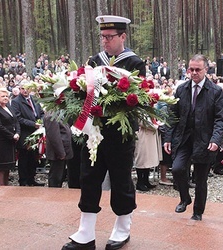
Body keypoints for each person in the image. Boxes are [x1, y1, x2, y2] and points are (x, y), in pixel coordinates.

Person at [62, 15, 146, 250]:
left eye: (110, 37)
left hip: (120, 134)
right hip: (94, 132)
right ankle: (85, 232)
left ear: (122, 37)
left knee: (120, 181)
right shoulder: (94, 60)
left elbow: (137, 97)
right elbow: (84, 92)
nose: (105, 42)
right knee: (88, 178)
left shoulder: (134, 63)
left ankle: (122, 229)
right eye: (102, 37)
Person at [164, 54, 223, 221]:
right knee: (177, 169)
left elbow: (220, 119)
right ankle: (185, 198)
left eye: (197, 69)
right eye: (191, 69)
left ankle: (197, 212)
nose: (194, 72)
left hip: (205, 140)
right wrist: (168, 138)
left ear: (206, 70)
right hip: (184, 138)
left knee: (200, 179)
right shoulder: (182, 89)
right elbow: (173, 116)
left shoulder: (215, 91)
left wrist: (215, 139)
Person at [11, 80, 45, 186]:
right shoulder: (16, 101)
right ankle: (23, 180)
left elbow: (41, 113)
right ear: (20, 89)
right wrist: (33, 124)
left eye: (27, 88)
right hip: (25, 133)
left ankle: (31, 178)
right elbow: (18, 118)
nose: (25, 90)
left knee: (34, 157)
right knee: (24, 158)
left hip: (37, 133)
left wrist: (41, 121)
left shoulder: (35, 99)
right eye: (22, 88)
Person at [0, 88, 20, 186]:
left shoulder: (8, 107)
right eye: (3, 96)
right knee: (2, 167)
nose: (5, 98)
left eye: (6, 96)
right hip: (1, 142)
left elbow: (16, 121)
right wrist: (12, 136)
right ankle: (2, 187)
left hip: (10, 141)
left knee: (8, 166)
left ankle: (6, 186)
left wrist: (18, 132)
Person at [43, 112, 73, 188]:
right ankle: (53, 196)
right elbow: (54, 137)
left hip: (62, 151)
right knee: (55, 178)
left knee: (60, 176)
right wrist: (61, 153)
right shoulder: (51, 116)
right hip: (57, 153)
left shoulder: (58, 114)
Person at [134, 119, 162, 191]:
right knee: (141, 158)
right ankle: (140, 182)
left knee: (148, 159)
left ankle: (146, 181)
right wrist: (156, 126)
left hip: (150, 135)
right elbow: (142, 122)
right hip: (143, 135)